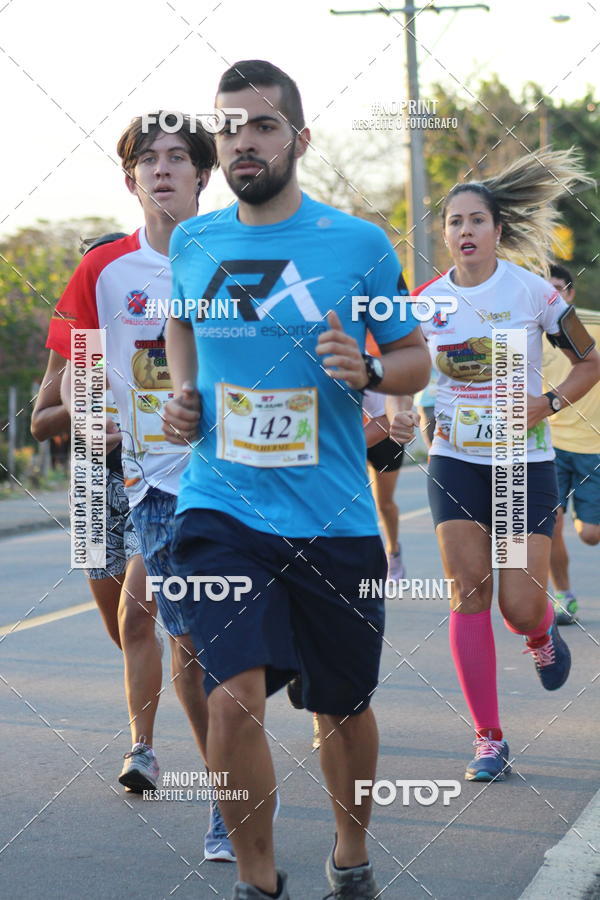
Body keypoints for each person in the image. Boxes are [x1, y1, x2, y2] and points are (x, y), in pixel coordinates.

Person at [163, 59, 430, 900]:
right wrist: (184, 394)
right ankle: (256, 883)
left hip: (332, 515)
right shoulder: (194, 240)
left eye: (264, 125)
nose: (245, 140)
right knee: (230, 696)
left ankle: (351, 859)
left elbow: (415, 358)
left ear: (299, 139)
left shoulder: (356, 244)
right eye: (230, 126)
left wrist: (373, 371)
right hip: (221, 503)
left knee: (342, 705)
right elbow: (179, 320)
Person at [45, 115, 236, 861]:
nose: (162, 170)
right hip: (154, 488)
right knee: (176, 643)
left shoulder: (239, 256)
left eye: (178, 158)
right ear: (131, 179)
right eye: (147, 160)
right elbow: (63, 402)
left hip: (250, 478)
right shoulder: (103, 273)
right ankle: (221, 800)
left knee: (235, 656)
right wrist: (102, 420)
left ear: (202, 175)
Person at [392, 149, 600, 783]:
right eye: (454, 222)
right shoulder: (427, 301)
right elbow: (402, 368)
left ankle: (539, 634)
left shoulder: (533, 293)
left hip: (520, 462)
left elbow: (590, 359)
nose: (464, 232)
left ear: (497, 231)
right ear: (446, 234)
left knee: (516, 604)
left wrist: (549, 400)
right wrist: (401, 408)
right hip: (455, 459)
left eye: (475, 220)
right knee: (468, 591)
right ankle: (488, 738)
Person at [542, 263, 600, 624]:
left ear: (571, 293)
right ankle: (564, 595)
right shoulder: (529, 331)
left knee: (590, 534)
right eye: (545, 290)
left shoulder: (592, 327)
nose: (552, 296)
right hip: (549, 445)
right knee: (549, 526)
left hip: (593, 446)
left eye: (558, 289)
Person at [364, 335, 413, 579]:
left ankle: (393, 550)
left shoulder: (384, 334)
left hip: (385, 431)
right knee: (355, 503)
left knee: (384, 503)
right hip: (349, 434)